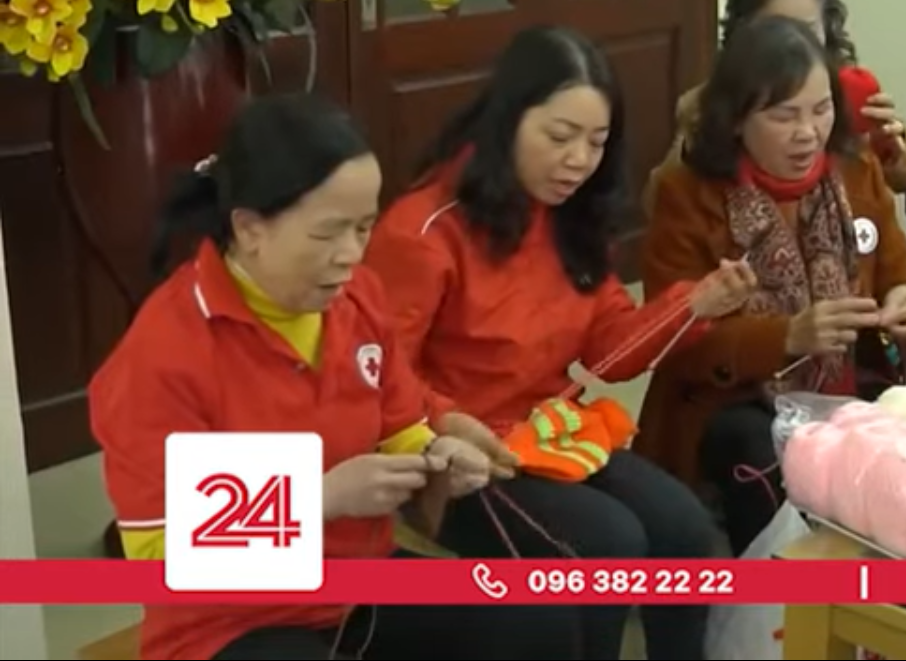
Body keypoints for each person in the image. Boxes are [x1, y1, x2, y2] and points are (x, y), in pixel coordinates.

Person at [89, 93, 575, 661]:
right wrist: (319, 498)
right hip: (229, 621)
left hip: (354, 582)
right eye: (327, 233)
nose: (350, 255)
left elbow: (399, 424)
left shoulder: (357, 298)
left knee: (535, 618)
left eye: (364, 228)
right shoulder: (162, 359)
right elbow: (156, 552)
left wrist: (436, 455)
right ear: (250, 228)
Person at [361, 27, 755, 661]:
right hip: (457, 458)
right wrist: (446, 423)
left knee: (683, 530)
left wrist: (691, 305)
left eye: (596, 143)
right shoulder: (425, 229)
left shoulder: (572, 217)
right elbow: (378, 371)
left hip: (547, 436)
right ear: (508, 120)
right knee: (609, 545)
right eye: (559, 136)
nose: (578, 160)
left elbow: (608, 354)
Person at [636, 15, 906, 556]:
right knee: (756, 446)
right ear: (736, 119)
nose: (808, 133)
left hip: (848, 382)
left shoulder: (855, 168)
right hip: (734, 402)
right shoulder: (687, 193)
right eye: (783, 115)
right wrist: (787, 336)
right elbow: (674, 340)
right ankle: (782, 592)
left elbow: (899, 272)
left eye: (821, 110)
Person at [644, 0, 906, 212]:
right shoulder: (710, 103)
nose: (793, 42)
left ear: (828, 30)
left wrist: (894, 143)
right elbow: (659, 204)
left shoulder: (849, 94)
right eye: (776, 27)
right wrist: (703, 137)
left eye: (807, 28)